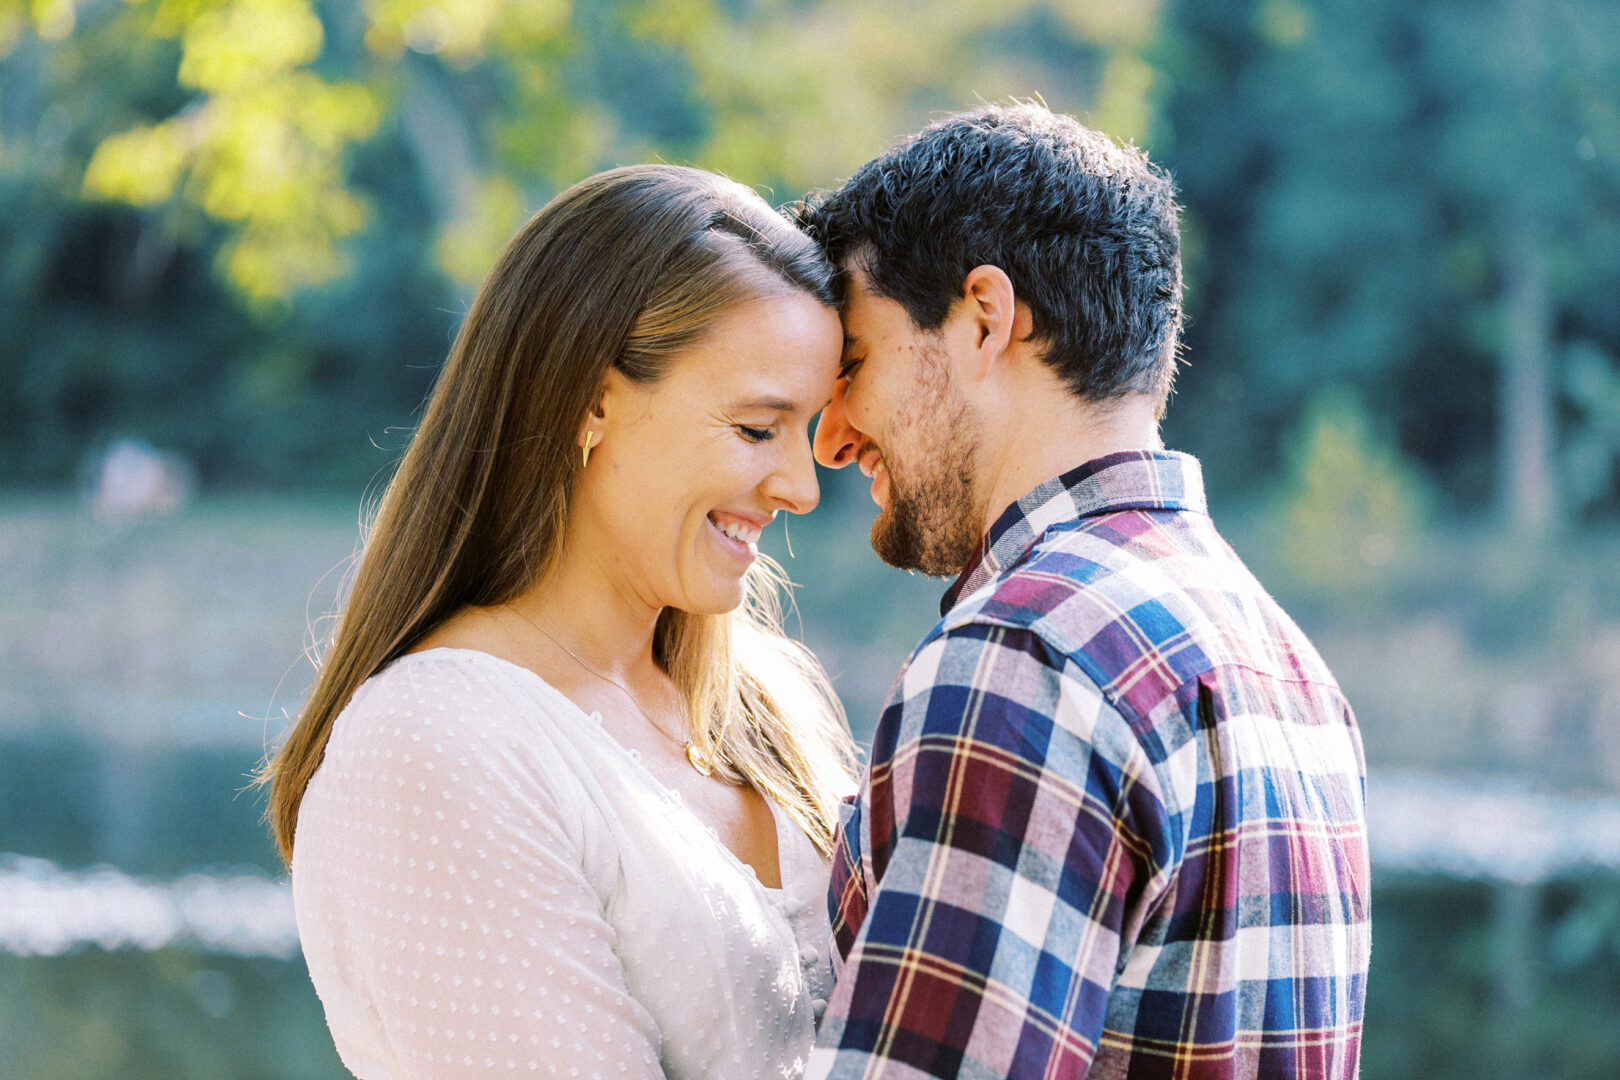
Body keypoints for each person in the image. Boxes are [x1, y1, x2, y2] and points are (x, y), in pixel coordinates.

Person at [797, 103, 1371, 1078]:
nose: (831, 435)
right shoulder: (1290, 670)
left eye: (854, 363)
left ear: (984, 318)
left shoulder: (1025, 659)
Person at [260, 164, 860, 1080]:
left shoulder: (765, 708)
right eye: (755, 428)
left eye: (807, 430)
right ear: (591, 398)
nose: (802, 487)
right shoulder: (437, 744)